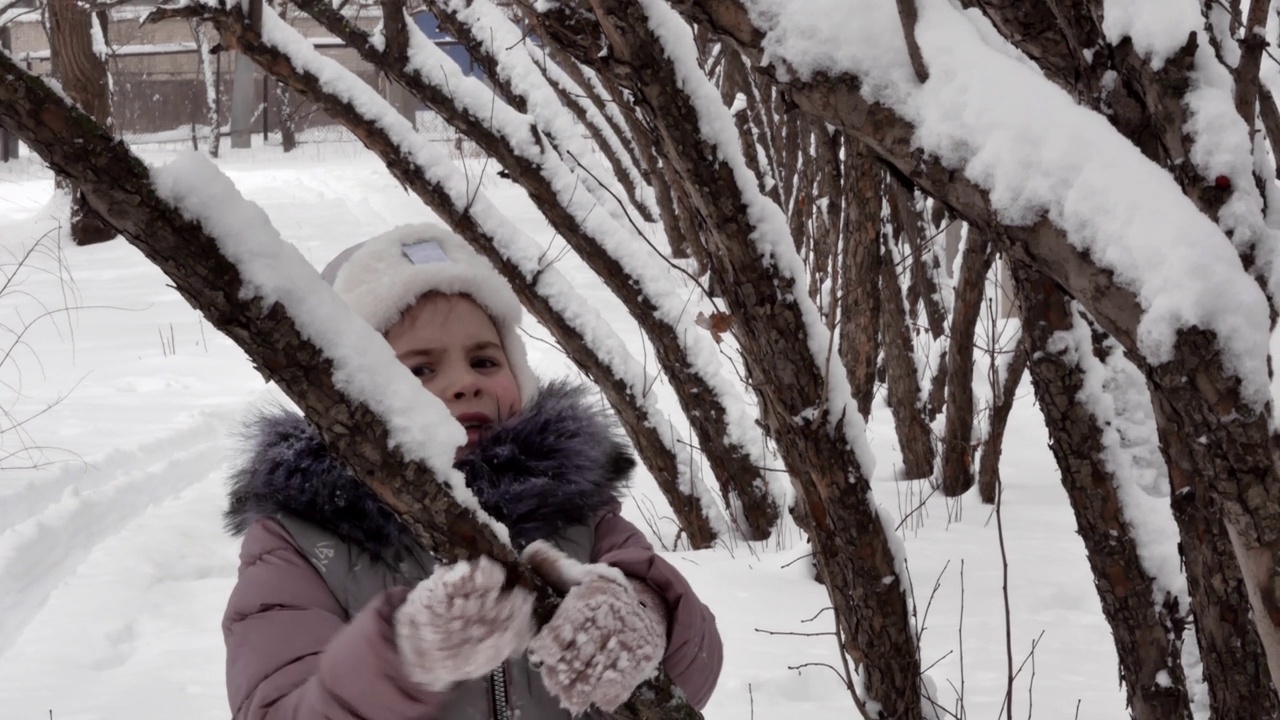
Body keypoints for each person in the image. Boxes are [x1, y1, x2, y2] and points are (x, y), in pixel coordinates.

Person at [220, 223, 723, 720]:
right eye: (419, 369)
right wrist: (403, 657)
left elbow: (693, 669)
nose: (464, 383)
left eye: (484, 361)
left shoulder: (572, 514)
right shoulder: (301, 542)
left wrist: (645, 617)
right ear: (346, 392)